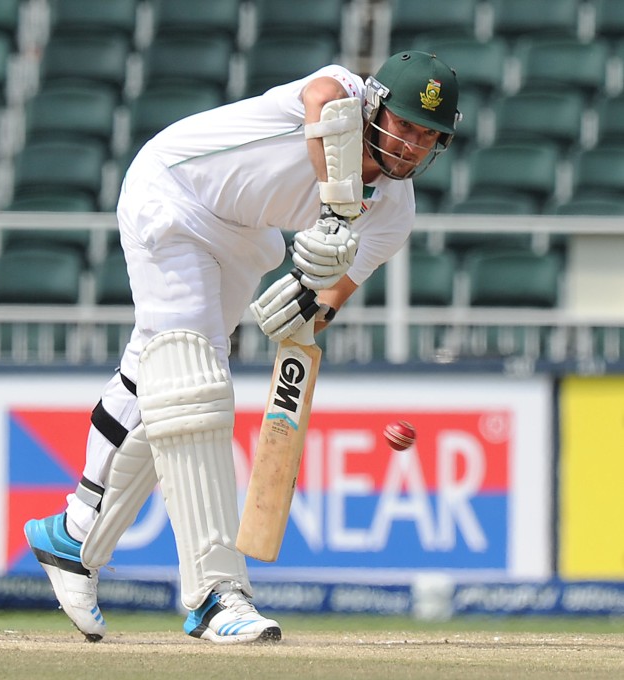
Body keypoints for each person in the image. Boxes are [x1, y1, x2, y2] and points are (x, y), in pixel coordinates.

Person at [24, 51, 461, 644]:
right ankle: (213, 594)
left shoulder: (393, 214)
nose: (411, 146)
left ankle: (74, 535)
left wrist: (307, 307)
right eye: (405, 125)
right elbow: (322, 99)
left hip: (244, 236)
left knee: (168, 384)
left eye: (427, 136)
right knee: (193, 382)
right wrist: (336, 208)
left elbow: (329, 299)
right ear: (375, 106)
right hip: (173, 191)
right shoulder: (338, 93)